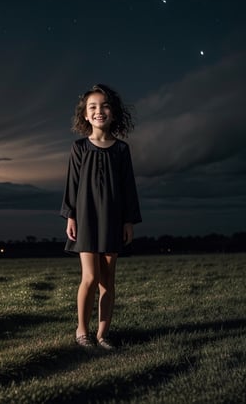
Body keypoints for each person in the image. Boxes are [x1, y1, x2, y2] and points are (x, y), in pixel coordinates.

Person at [60, 84, 142, 350]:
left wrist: (129, 220)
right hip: (85, 218)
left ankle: (102, 335)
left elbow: (129, 187)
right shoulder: (79, 147)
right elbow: (71, 185)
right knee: (90, 278)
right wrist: (70, 216)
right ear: (85, 115)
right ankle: (82, 331)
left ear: (113, 112)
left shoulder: (121, 150)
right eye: (92, 107)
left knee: (108, 280)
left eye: (104, 105)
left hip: (114, 219)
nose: (99, 111)